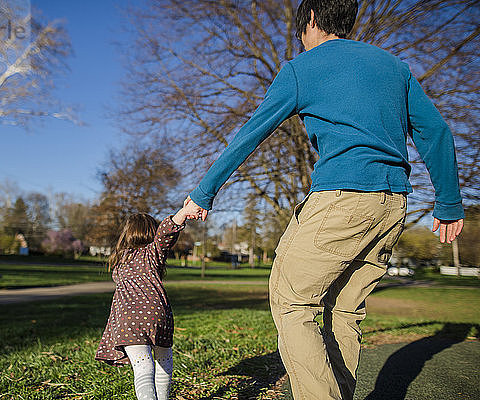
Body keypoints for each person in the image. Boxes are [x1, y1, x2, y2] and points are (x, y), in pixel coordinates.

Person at [184, 0, 465, 398]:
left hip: (343, 198)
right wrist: (449, 202)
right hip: (392, 205)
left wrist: (203, 193)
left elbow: (251, 132)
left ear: (311, 18)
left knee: (291, 301)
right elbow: (435, 131)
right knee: (344, 309)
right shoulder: (394, 67)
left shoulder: (302, 68)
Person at [95, 203, 200, 400]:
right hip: (157, 316)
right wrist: (183, 213)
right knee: (164, 361)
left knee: (143, 366)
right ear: (153, 233)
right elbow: (166, 234)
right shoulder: (152, 254)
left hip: (128, 322)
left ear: (127, 234)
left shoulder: (119, 259)